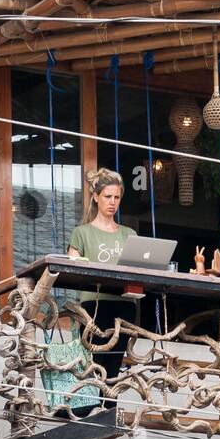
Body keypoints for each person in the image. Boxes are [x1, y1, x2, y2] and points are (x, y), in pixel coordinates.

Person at [67, 168, 138, 393]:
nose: (112, 202)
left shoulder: (129, 234)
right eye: (108, 196)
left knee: (114, 370)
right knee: (94, 366)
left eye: (117, 197)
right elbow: (71, 266)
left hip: (124, 305)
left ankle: (109, 415)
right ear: (96, 197)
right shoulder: (82, 232)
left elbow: (139, 270)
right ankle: (94, 416)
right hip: (94, 306)